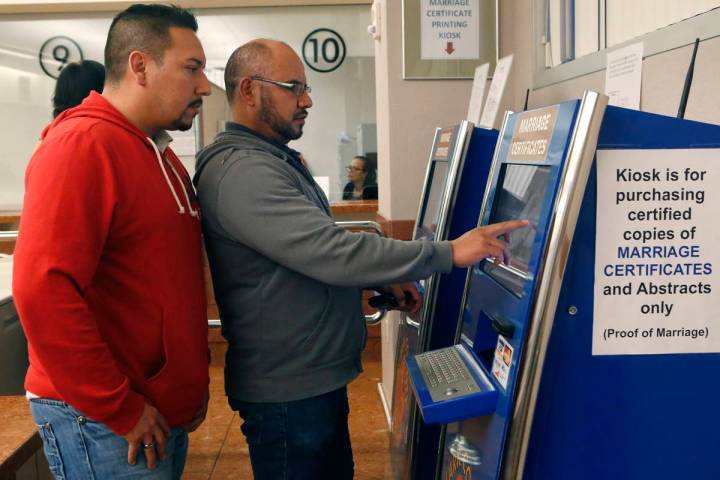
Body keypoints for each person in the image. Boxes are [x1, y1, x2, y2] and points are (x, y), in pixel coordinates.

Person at [193, 39, 526, 480]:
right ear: (250, 90)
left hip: (311, 382)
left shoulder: (271, 160)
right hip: (289, 394)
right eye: (294, 87)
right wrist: (448, 252)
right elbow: (330, 252)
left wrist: (379, 281)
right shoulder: (242, 170)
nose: (306, 100)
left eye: (306, 88)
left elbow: (303, 252)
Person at [13, 4, 212, 479]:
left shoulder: (158, 152)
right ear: (140, 66)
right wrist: (120, 408)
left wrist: (187, 385)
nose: (204, 86)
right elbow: (43, 291)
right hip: (107, 422)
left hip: (153, 412)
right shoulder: (81, 146)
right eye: (192, 69)